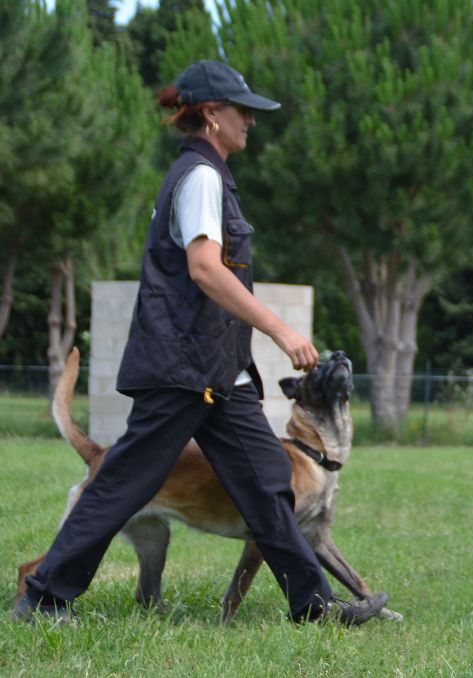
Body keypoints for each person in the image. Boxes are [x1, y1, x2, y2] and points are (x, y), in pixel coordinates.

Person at [14, 60, 387, 626]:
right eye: (244, 112)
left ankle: (314, 608)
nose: (252, 124)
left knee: (268, 482)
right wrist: (279, 328)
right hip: (183, 368)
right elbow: (206, 271)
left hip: (219, 371)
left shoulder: (210, 177)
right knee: (125, 481)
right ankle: (42, 599)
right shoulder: (201, 178)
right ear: (212, 115)